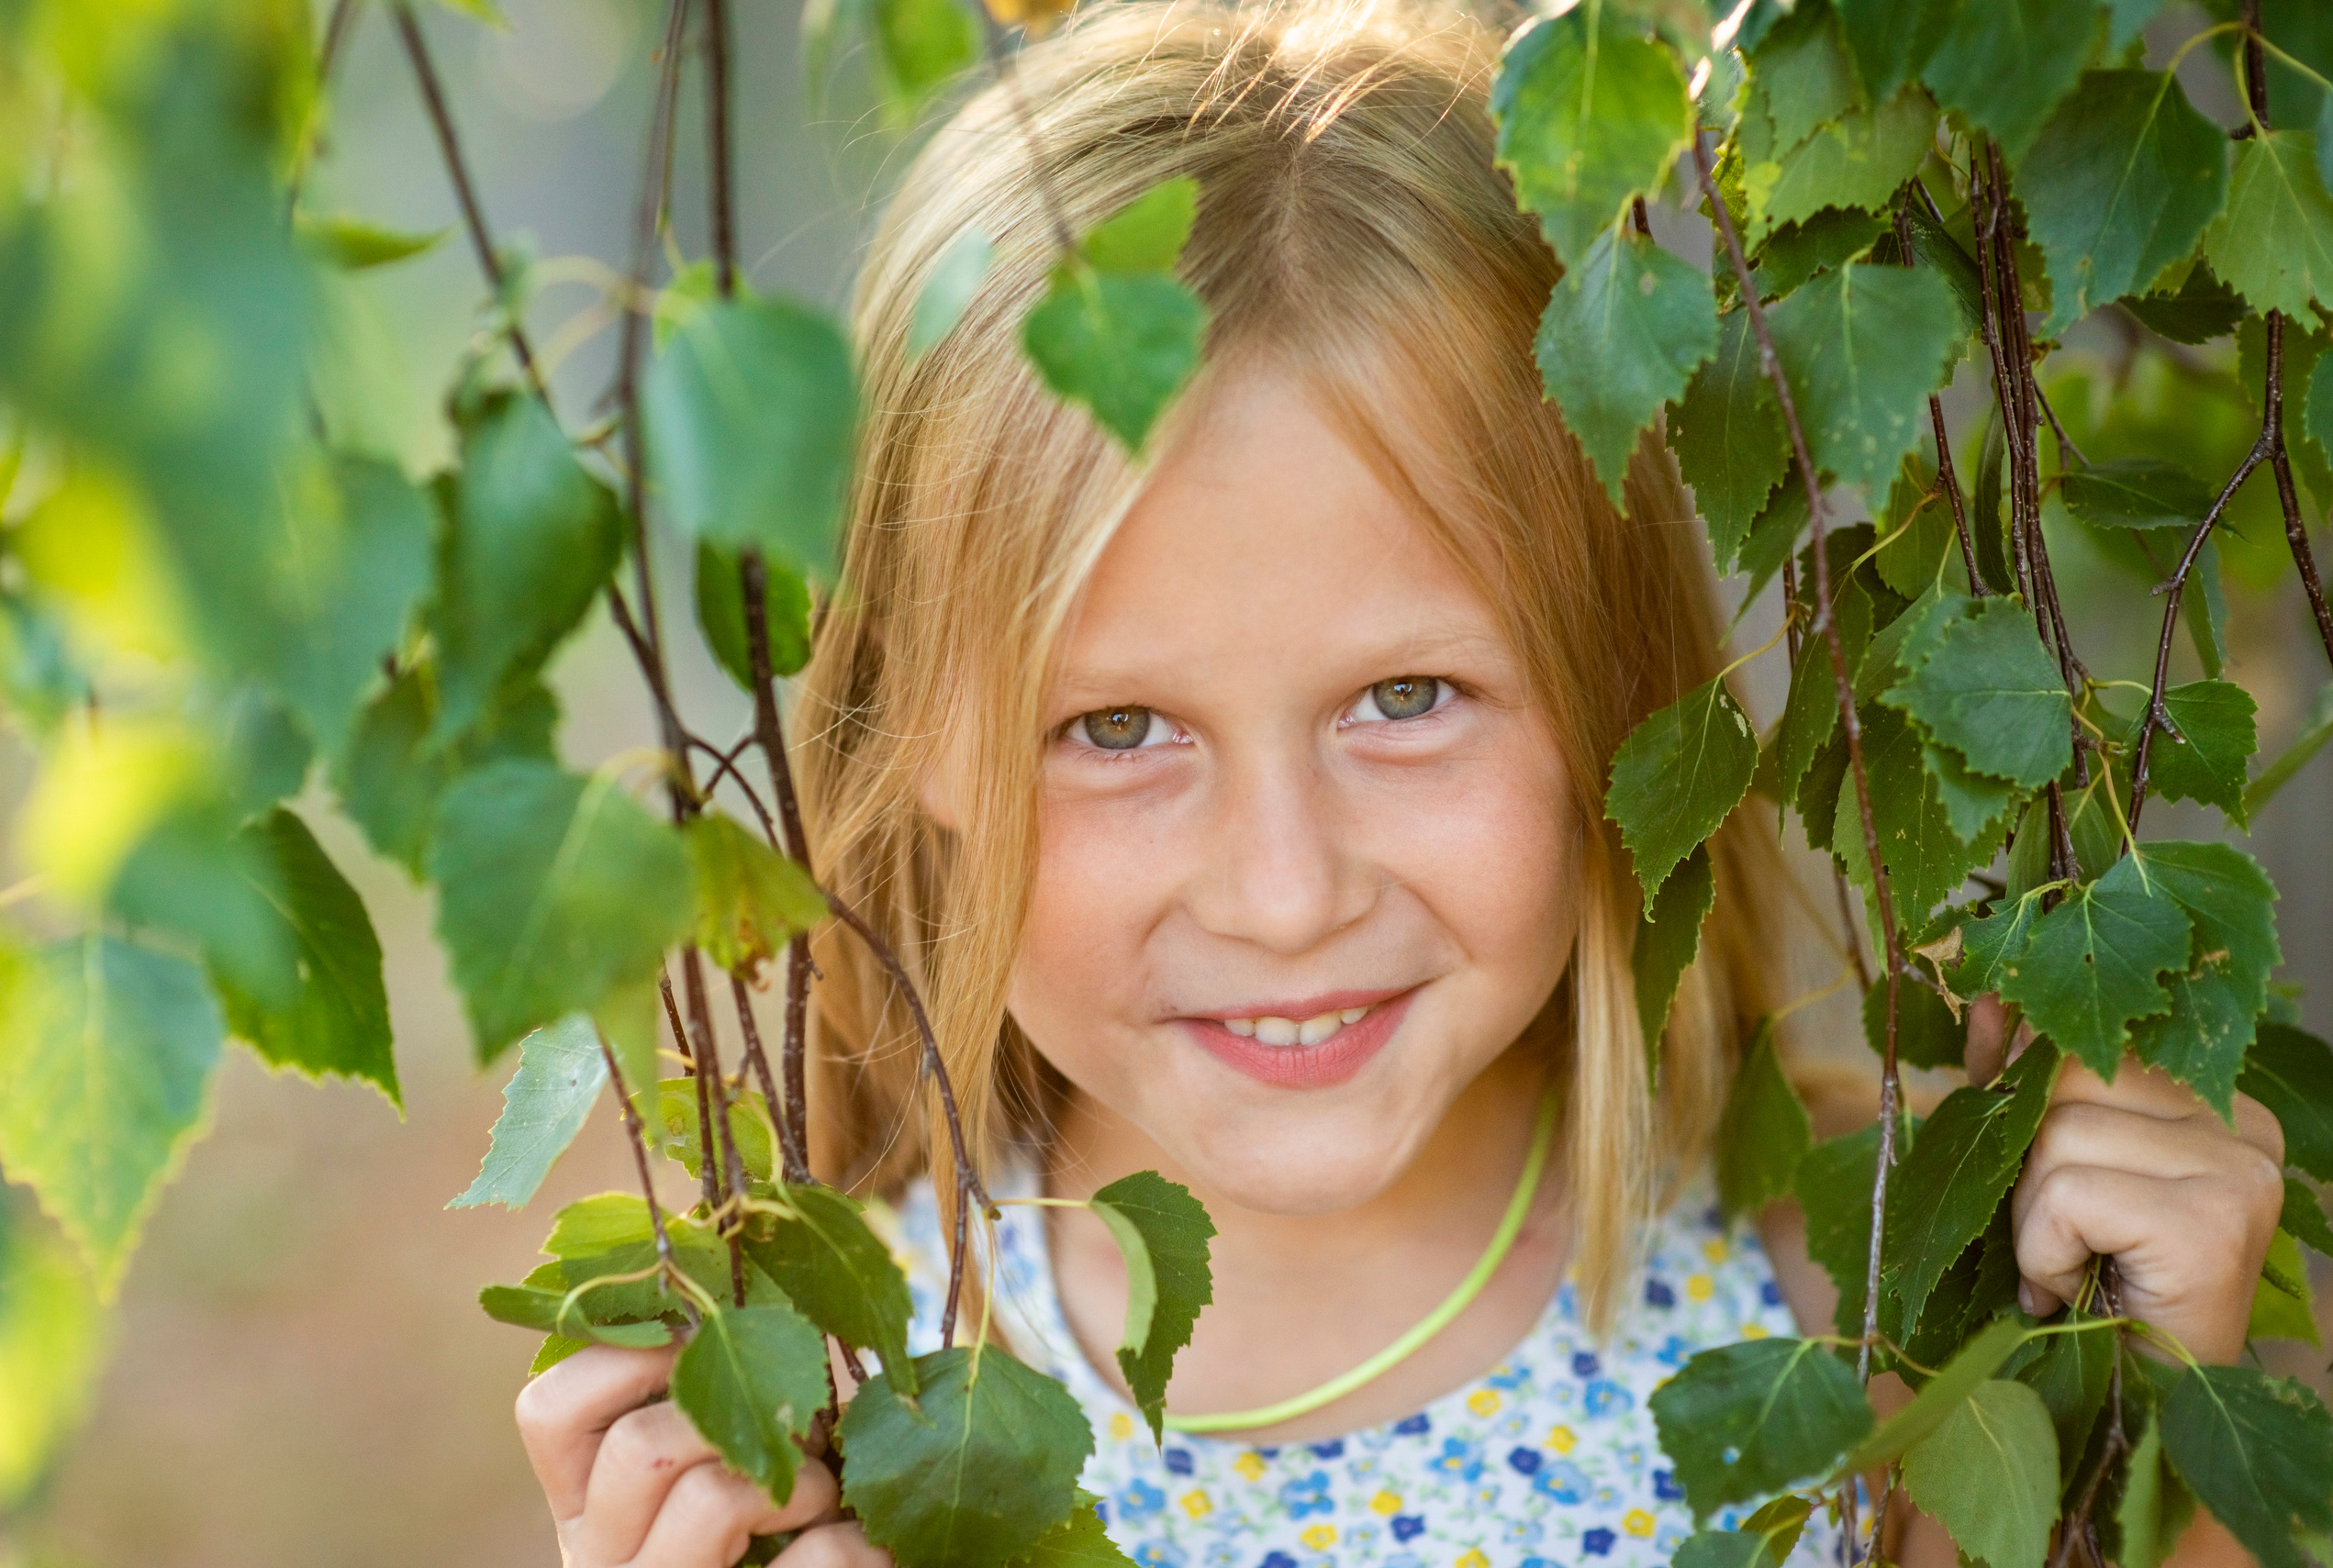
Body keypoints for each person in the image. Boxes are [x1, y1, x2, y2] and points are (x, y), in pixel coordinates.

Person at [510, 1, 2291, 1562]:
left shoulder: (1866, 1308)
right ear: (917, 740)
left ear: (1614, 696)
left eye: (1406, 698)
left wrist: (2151, 1457)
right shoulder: (837, 1408)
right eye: (1116, 729)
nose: (1285, 893)